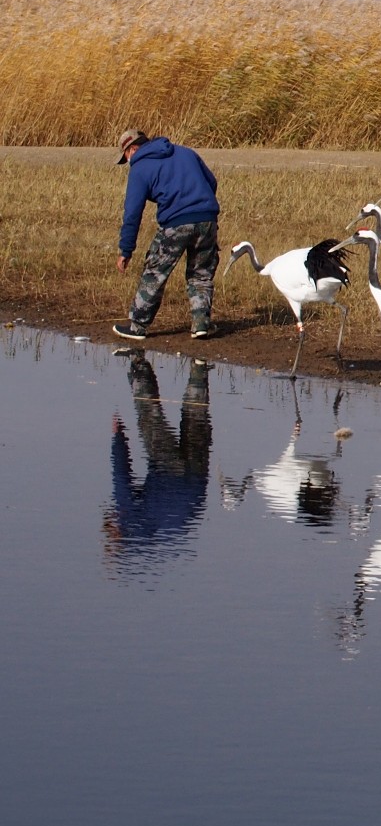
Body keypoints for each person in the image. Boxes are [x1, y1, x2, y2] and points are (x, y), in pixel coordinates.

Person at [112, 128, 221, 340]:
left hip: (176, 223)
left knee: (155, 272)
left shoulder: (140, 168)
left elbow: (132, 213)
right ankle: (201, 324)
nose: (128, 163)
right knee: (201, 274)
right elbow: (212, 182)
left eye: (126, 157)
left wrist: (126, 249)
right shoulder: (185, 152)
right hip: (208, 219)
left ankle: (138, 326)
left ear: (132, 149)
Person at [106, 354, 213, 566]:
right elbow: (121, 476)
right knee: (149, 414)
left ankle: (199, 369)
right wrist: (118, 436)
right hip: (168, 475)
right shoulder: (128, 519)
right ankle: (138, 363)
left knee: (196, 418)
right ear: (116, 535)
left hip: (196, 486)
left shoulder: (161, 534)